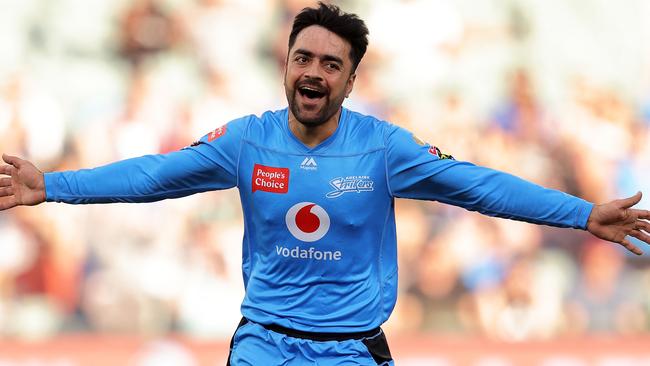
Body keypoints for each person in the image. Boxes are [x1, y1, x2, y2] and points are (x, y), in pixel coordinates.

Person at [1, 2, 649, 365]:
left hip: (350, 351)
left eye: (330, 64)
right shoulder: (248, 140)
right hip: (263, 343)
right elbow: (153, 174)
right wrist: (51, 185)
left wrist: (581, 214)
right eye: (303, 58)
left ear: (350, 79)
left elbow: (478, 185)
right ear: (286, 65)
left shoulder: (384, 148)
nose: (313, 73)